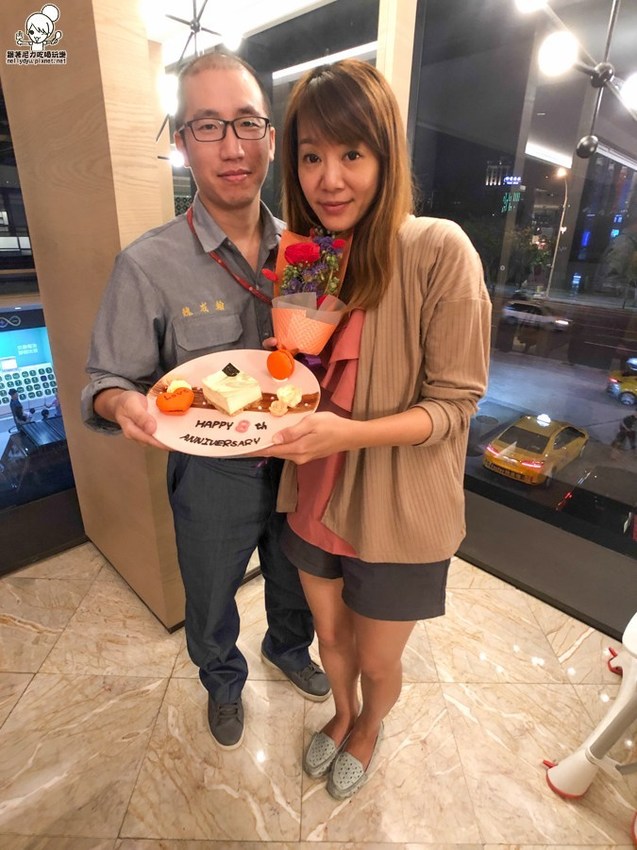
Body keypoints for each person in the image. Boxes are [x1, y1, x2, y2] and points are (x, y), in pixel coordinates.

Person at [81, 51, 329, 750]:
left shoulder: (310, 253)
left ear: (270, 138)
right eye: (208, 125)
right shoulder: (148, 263)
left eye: (247, 123)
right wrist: (122, 406)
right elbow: (105, 379)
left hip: (300, 461)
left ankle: (287, 647)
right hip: (210, 473)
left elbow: (318, 355)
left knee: (295, 576)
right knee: (212, 590)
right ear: (182, 141)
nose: (232, 147)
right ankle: (222, 680)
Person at [261, 59, 491, 799]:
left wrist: (344, 434)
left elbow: (454, 406)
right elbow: (298, 370)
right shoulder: (309, 256)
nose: (329, 179)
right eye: (311, 157)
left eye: (352, 154)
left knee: (378, 655)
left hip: (397, 508)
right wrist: (277, 383)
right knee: (330, 637)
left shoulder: (437, 249)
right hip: (315, 492)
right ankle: (341, 712)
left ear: (386, 156)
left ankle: (368, 725)